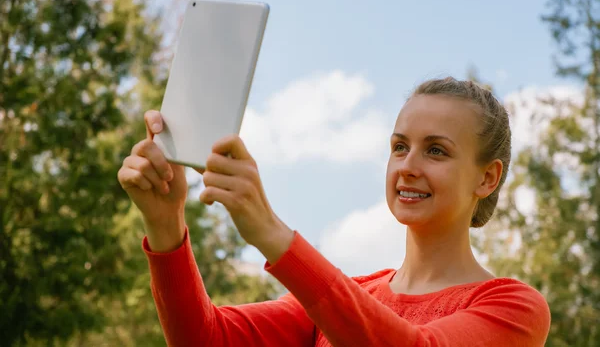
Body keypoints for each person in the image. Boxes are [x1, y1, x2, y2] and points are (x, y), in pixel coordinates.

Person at [117, 77, 551, 346]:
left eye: (436, 151)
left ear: (487, 178)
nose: (407, 167)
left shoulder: (513, 307)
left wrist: (270, 231)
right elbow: (205, 339)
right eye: (400, 147)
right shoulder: (347, 297)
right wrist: (165, 221)